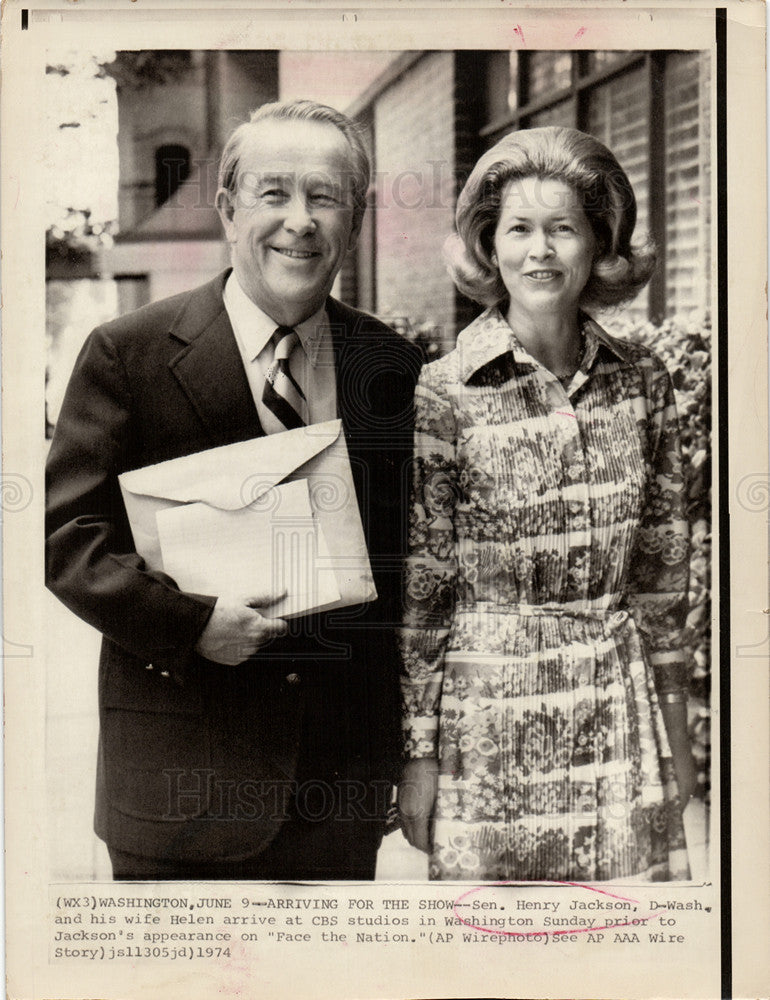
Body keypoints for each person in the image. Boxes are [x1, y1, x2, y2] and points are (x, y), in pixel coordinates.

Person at [46, 99, 422, 880]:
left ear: (353, 222)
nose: (300, 221)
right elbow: (68, 541)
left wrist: (402, 755)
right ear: (226, 207)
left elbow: (411, 571)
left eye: (325, 198)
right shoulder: (127, 354)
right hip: (180, 783)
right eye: (273, 193)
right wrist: (188, 625)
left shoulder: (389, 366)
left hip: (333, 790)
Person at [397, 126, 696, 882]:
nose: (540, 251)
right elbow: (425, 591)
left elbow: (662, 575)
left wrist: (677, 732)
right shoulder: (444, 391)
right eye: (519, 229)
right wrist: (420, 752)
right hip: (487, 722)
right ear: (488, 246)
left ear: (598, 244)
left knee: (623, 963)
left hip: (615, 707)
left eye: (563, 229)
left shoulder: (644, 382)